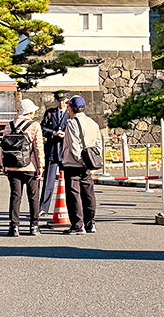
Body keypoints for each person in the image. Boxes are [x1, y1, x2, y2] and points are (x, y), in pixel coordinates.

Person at [2, 99, 45, 236]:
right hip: (30, 166)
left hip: (12, 167)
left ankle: (14, 226)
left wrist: (4, 166)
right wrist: (41, 166)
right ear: (30, 112)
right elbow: (38, 148)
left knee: (15, 196)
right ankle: (34, 226)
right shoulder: (34, 125)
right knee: (33, 197)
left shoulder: (9, 125)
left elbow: (3, 147)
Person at [61, 95, 102, 235]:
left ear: (72, 109)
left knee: (74, 195)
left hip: (73, 164)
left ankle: (77, 225)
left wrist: (80, 160)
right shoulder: (93, 123)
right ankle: (90, 223)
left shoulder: (71, 123)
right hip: (88, 165)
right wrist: (90, 161)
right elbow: (98, 145)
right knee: (88, 194)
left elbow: (74, 146)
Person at [39, 90, 70, 218]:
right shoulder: (50, 113)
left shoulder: (70, 113)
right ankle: (43, 208)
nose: (61, 103)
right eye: (59, 101)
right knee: (48, 181)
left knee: (69, 181)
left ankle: (69, 207)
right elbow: (43, 127)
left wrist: (65, 134)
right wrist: (53, 133)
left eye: (63, 101)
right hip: (52, 149)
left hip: (65, 150)